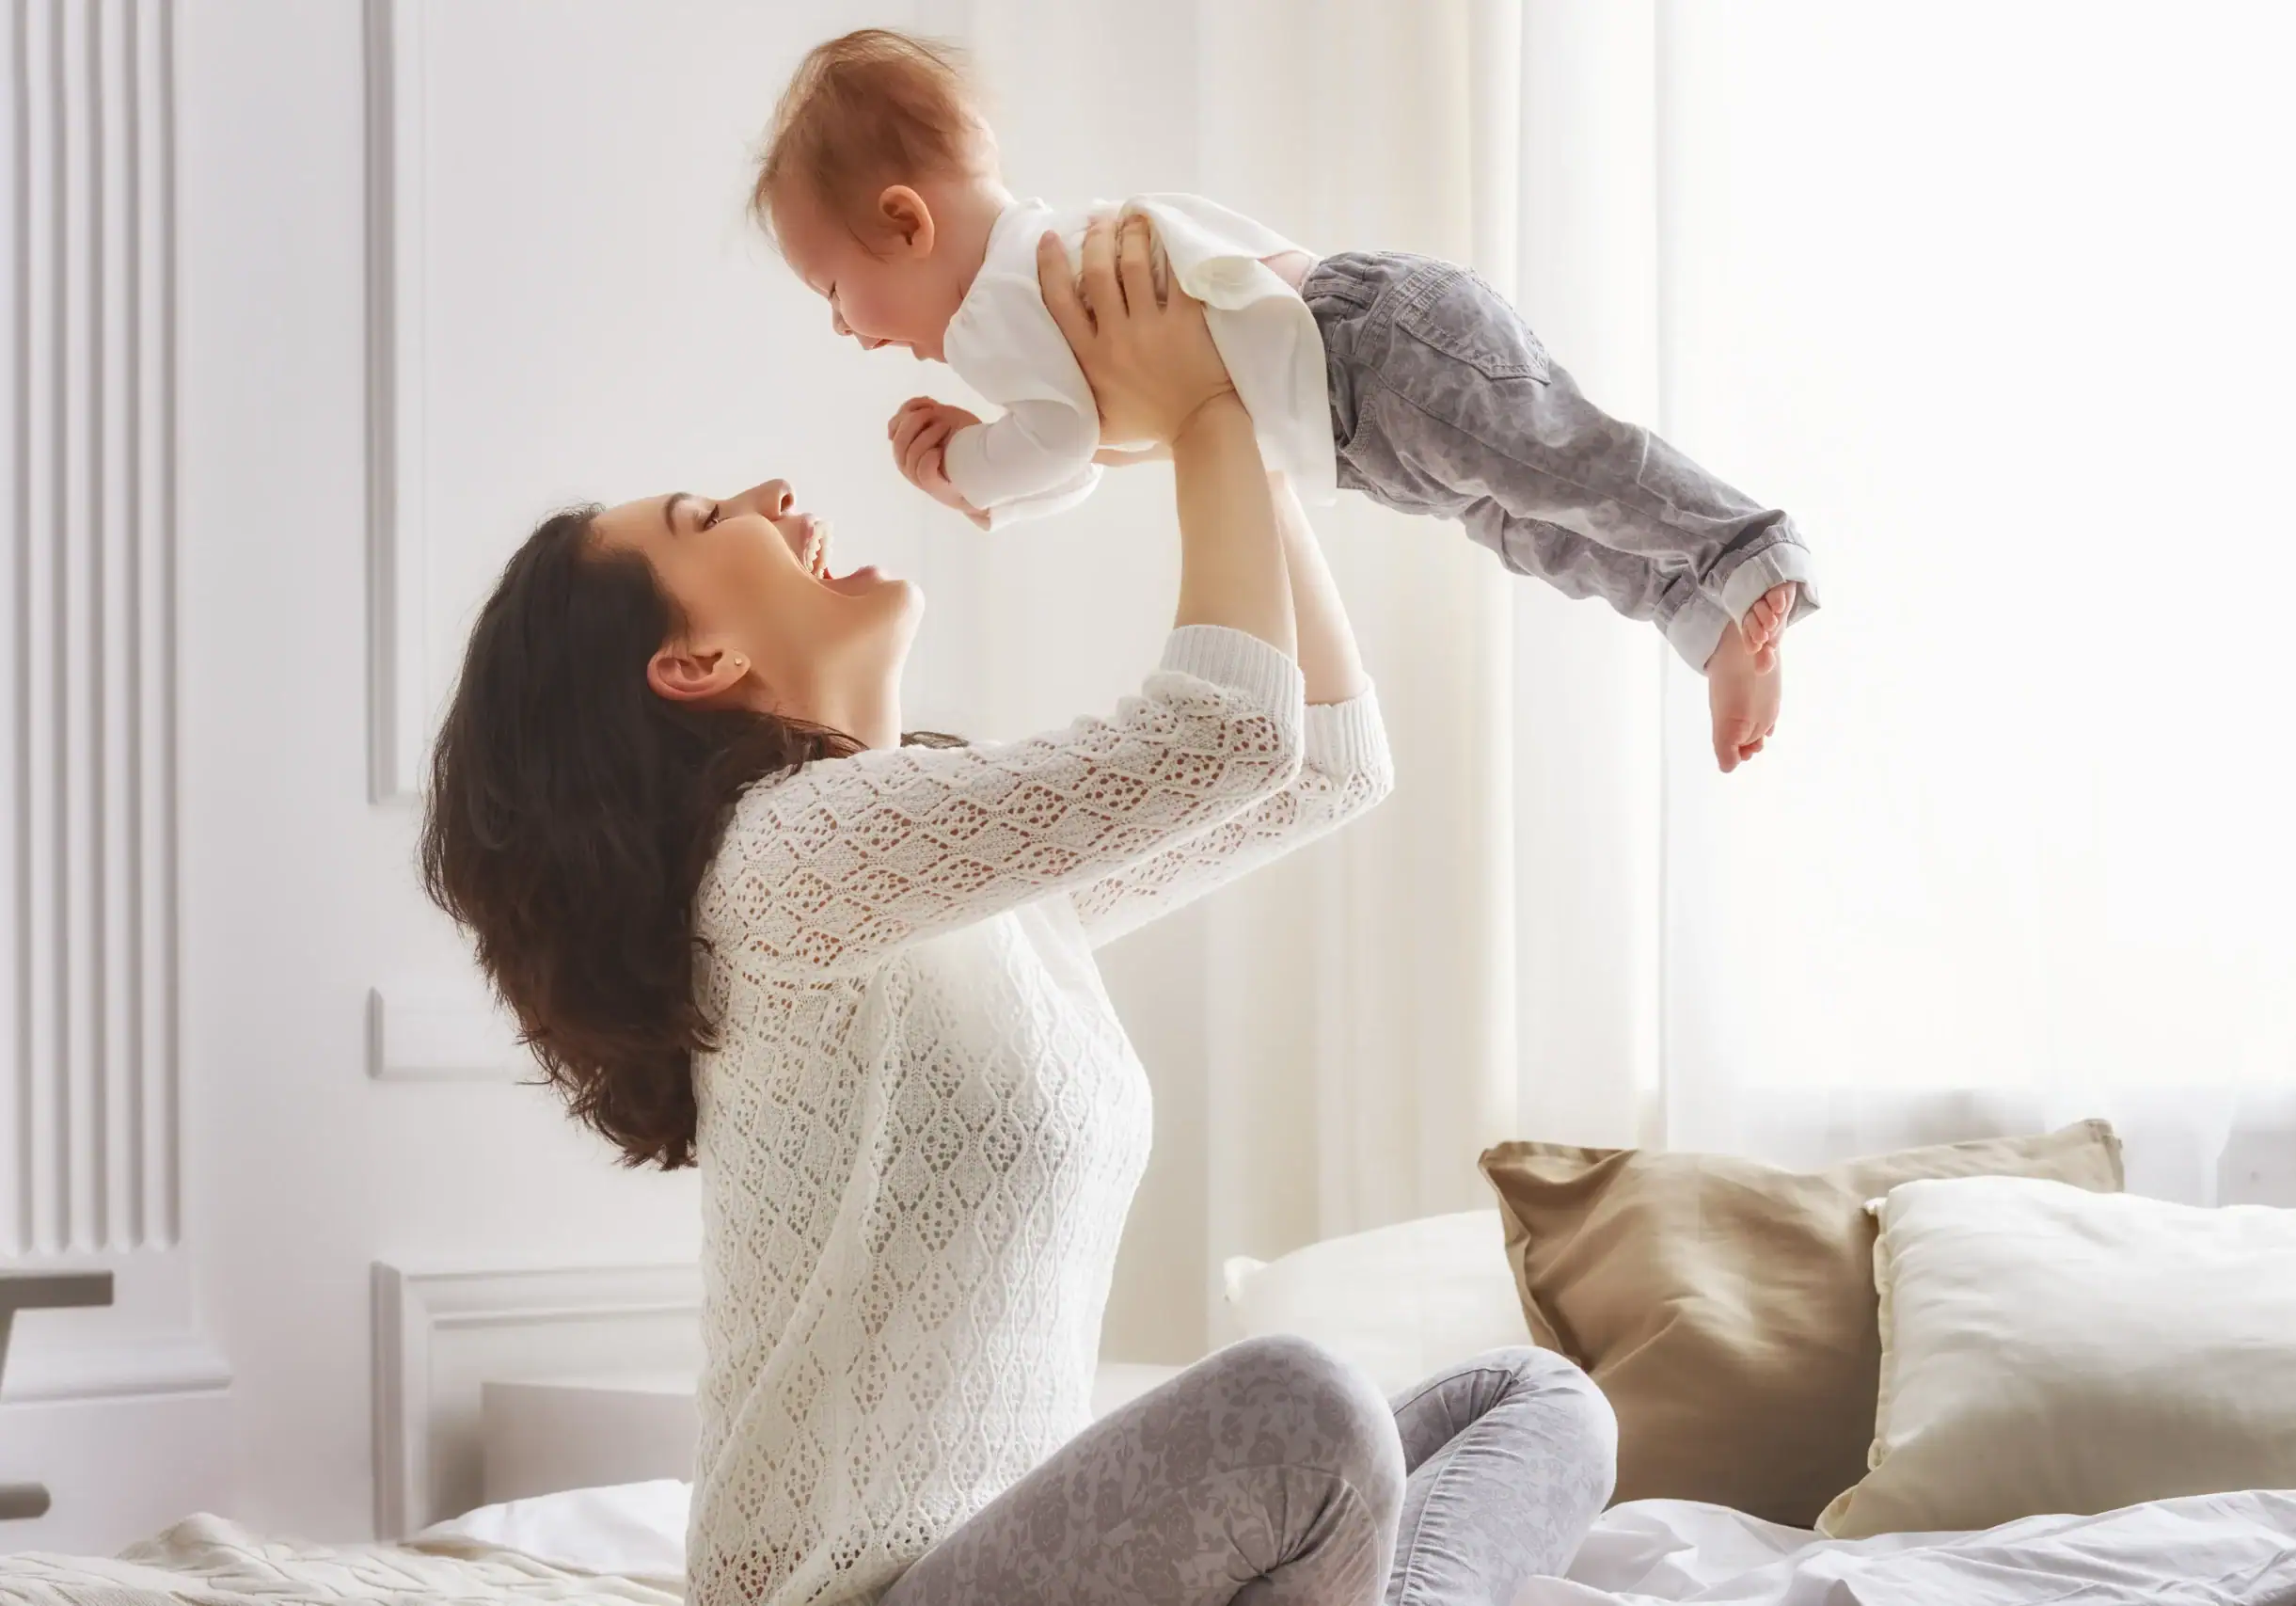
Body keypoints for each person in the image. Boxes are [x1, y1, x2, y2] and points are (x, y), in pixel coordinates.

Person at [420, 216, 1616, 1606]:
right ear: (694, 661)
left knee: (1536, 1402)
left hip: (1021, 1573)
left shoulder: (949, 881)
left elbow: (1325, 767)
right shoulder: (781, 861)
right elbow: (1226, 736)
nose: (771, 493)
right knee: (1302, 1408)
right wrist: (1202, 408)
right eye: (704, 520)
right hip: (859, 1597)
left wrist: (1224, 408)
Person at [754, 27, 1819, 772]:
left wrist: (966, 467)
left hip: (1369, 356)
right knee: (1532, 520)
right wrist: (996, 474)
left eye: (831, 289)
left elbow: (1064, 441)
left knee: (1559, 467)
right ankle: (1703, 616)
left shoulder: (996, 308)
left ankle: (1746, 549)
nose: (845, 327)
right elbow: (1087, 452)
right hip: (1360, 413)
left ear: (906, 222)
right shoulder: (1031, 274)